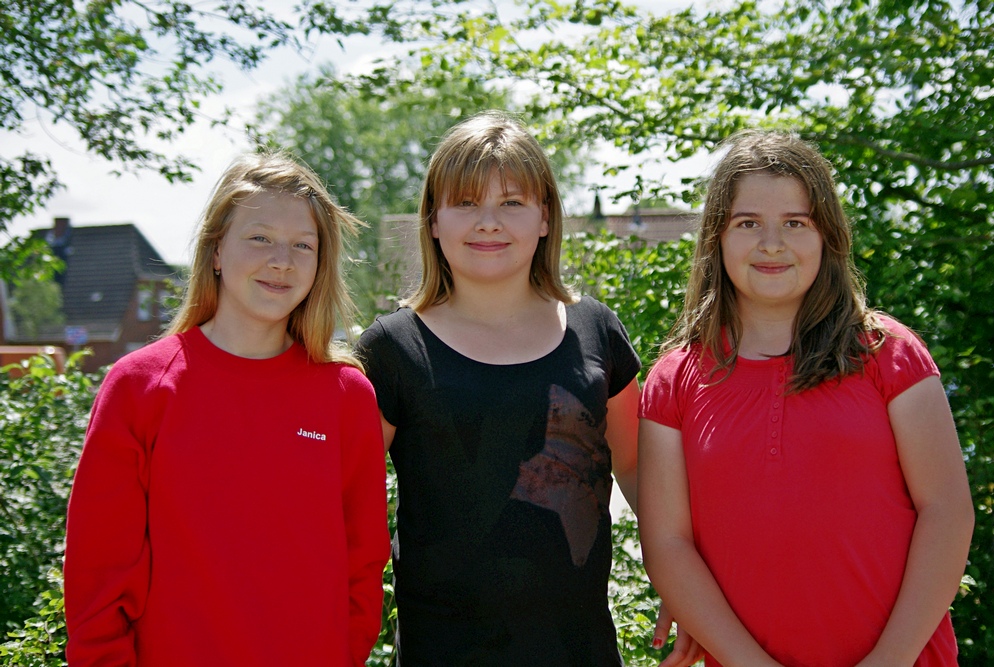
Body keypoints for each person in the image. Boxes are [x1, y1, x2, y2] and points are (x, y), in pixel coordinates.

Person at [637, 130, 975, 666]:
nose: (772, 243)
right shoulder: (673, 381)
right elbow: (667, 545)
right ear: (716, 239)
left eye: (796, 223)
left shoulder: (889, 354)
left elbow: (949, 513)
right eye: (748, 224)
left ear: (828, 237)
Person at [63, 152, 390, 666]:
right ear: (216, 250)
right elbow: (99, 573)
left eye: (303, 245)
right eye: (259, 237)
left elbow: (363, 563)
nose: (282, 259)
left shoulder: (347, 396)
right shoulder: (141, 386)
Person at [356, 110, 653, 666]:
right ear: (434, 221)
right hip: (442, 652)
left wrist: (673, 578)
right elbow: (345, 502)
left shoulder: (595, 329)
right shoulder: (391, 349)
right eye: (465, 203)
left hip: (579, 652)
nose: (488, 222)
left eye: (512, 203)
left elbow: (637, 471)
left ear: (545, 217)